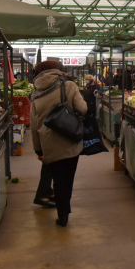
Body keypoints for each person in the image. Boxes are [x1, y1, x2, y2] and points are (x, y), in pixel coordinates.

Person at [30, 60, 88, 227]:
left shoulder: (36, 92)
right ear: (57, 70)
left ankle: (62, 214)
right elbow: (82, 109)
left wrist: (38, 149)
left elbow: (34, 125)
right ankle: (65, 212)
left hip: (48, 144)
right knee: (67, 179)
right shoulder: (68, 86)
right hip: (70, 140)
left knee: (57, 179)